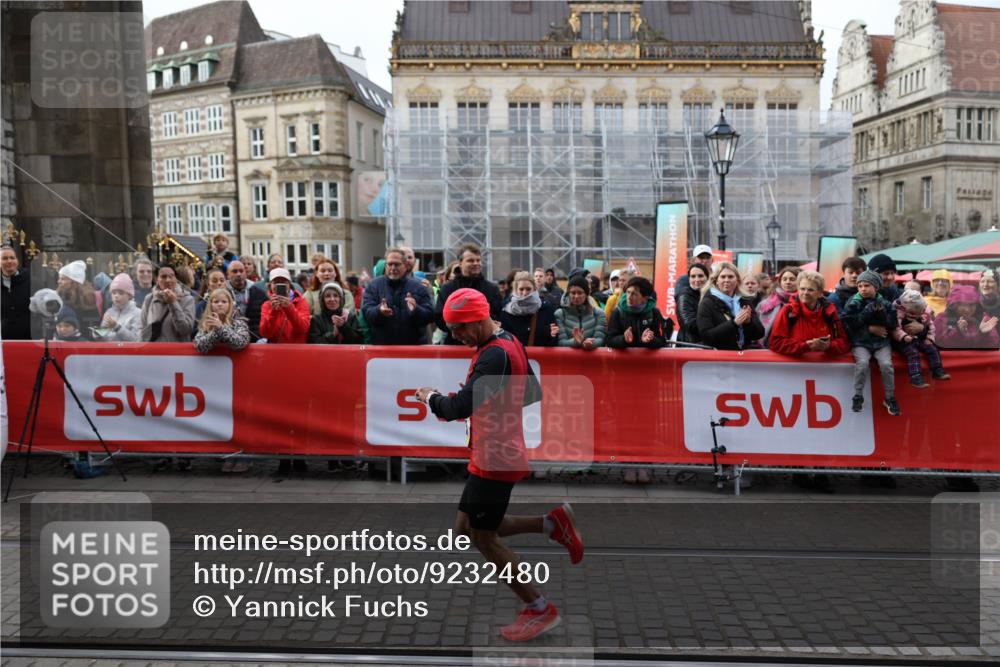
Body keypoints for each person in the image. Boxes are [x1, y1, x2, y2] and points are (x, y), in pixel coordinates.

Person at [413, 288, 583, 642]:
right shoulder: (508, 340)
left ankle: (539, 609)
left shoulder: (493, 355)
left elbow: (456, 407)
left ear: (478, 319)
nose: (455, 336)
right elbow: (531, 392)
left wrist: (430, 396)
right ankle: (552, 524)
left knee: (483, 537)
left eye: (459, 329)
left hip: (495, 456)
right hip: (492, 452)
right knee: (465, 530)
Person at [842, 270, 900, 416]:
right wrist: (867, 315)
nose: (863, 289)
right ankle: (858, 395)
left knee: (886, 365)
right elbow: (848, 324)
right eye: (860, 286)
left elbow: (893, 324)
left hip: (881, 343)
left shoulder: (886, 303)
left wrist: (882, 316)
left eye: (866, 285)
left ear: (876, 287)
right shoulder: (853, 302)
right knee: (862, 364)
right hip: (860, 342)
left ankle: (889, 397)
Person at [768, 270, 850, 357]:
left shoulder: (830, 312)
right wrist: (805, 346)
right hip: (794, 368)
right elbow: (775, 343)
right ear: (798, 289)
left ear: (819, 293)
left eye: (810, 289)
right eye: (802, 289)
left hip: (823, 369)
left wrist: (829, 346)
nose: (805, 293)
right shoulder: (788, 311)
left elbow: (844, 343)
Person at [363, 248, 435, 345]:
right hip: (383, 349)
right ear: (385, 266)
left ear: (405, 266)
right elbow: (366, 313)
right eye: (390, 264)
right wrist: (379, 311)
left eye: (396, 264)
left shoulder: (419, 287)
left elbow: (430, 315)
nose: (393, 268)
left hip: (412, 349)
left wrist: (416, 310)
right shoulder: (374, 286)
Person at [435, 244, 503, 345]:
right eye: (471, 260)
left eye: (478, 260)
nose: (476, 263)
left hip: (486, 344)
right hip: (455, 346)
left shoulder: (492, 289)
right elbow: (439, 317)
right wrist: (460, 331)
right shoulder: (447, 288)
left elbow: (497, 315)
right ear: (460, 263)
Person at [697, 263, 764, 351]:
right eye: (723, 277)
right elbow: (707, 337)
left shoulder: (745, 301)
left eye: (730, 277)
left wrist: (749, 323)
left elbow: (759, 334)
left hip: (742, 356)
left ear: (737, 280)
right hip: (718, 358)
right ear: (716, 280)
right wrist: (734, 324)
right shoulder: (707, 303)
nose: (727, 280)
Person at [892, 289, 950, 387]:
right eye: (913, 312)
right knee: (913, 352)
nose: (916, 314)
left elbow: (931, 326)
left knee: (932, 348)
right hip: (903, 341)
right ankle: (916, 377)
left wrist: (929, 338)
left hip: (919, 338)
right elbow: (895, 328)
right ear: (905, 308)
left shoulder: (925, 313)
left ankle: (937, 370)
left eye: (919, 311)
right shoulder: (898, 313)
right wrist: (903, 336)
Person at [608, 276, 670, 350]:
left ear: (645, 298)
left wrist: (651, 340)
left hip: (647, 360)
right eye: (628, 292)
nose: (629, 297)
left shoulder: (654, 313)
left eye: (634, 294)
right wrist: (624, 339)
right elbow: (609, 340)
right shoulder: (618, 311)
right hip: (624, 360)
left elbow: (662, 341)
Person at [500, 271, 559, 347]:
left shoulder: (545, 309)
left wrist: (549, 335)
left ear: (534, 289)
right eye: (521, 289)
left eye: (528, 289)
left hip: (539, 358)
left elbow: (554, 343)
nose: (524, 293)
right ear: (515, 290)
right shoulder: (506, 312)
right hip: (516, 358)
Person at [140, 265, 196, 342]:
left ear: (176, 279)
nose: (168, 280)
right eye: (163, 277)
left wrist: (173, 303)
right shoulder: (149, 299)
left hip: (176, 352)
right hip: (154, 351)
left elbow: (185, 330)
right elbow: (142, 327)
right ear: (156, 279)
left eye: (171, 276)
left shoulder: (187, 299)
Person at [933, 284, 1000, 349]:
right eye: (963, 305)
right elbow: (939, 344)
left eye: (971, 305)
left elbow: (994, 347)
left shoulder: (984, 320)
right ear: (954, 304)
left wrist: (984, 334)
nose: (967, 310)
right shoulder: (942, 319)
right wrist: (958, 331)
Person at [259, 267, 311, 344]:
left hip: (297, 350)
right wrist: (273, 312)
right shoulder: (267, 305)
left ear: (289, 285)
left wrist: (289, 308)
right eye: (275, 282)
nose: (279, 285)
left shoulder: (301, 301)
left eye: (283, 282)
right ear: (270, 286)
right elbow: (266, 334)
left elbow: (303, 328)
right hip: (276, 351)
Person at [554, 275, 606, 349]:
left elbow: (601, 340)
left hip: (592, 359)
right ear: (568, 294)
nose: (576, 296)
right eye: (573, 293)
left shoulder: (598, 314)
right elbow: (561, 342)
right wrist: (575, 342)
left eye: (580, 293)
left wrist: (589, 344)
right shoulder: (560, 314)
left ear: (586, 294)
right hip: (567, 359)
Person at [194, 288, 250, 354]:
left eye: (224, 301)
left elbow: (240, 343)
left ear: (230, 304)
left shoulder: (240, 322)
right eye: (216, 302)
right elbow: (200, 347)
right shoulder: (206, 324)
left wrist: (221, 328)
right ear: (210, 305)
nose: (220, 304)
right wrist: (216, 331)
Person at [56, 260, 100, 339]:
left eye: (63, 279)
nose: (59, 281)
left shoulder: (87, 299)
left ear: (73, 281)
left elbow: (93, 327)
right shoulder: (60, 296)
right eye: (59, 278)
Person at [93, 273, 142, 342]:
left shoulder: (138, 313)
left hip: (127, 352)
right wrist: (97, 333)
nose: (116, 296)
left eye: (121, 293)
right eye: (114, 293)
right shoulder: (109, 312)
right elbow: (103, 338)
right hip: (109, 352)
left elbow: (136, 339)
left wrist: (117, 327)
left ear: (130, 295)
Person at [757, 266, 800, 340]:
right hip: (767, 346)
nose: (788, 282)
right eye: (784, 279)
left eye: (792, 279)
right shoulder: (765, 303)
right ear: (780, 282)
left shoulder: (806, 302)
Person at [228, 260, 267, 339]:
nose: (238, 274)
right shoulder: (221, 294)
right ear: (228, 275)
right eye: (234, 271)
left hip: (255, 338)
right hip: (229, 339)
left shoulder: (259, 293)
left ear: (245, 273)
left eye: (241, 271)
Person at [1, 245, 30, 340]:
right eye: (4, 258)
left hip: (29, 338)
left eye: (12, 258)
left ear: (17, 261)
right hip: (3, 340)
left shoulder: (31, 281)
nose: (9, 261)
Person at [677, 264, 709, 343]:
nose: (697, 279)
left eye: (700, 276)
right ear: (689, 278)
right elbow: (689, 323)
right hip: (691, 345)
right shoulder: (684, 295)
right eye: (693, 276)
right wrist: (713, 329)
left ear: (707, 277)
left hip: (708, 344)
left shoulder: (712, 294)